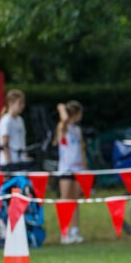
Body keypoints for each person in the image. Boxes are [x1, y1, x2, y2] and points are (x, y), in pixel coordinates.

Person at [55, 101, 87, 245]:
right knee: (65, 200)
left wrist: (84, 168)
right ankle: (64, 232)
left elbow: (81, 149)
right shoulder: (64, 128)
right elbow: (64, 121)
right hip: (66, 169)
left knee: (75, 201)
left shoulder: (77, 130)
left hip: (78, 169)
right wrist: (62, 109)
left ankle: (75, 230)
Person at [0, 89, 30, 171]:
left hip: (20, 161)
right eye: (20, 103)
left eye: (23, 103)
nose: (23, 106)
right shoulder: (6, 120)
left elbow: (21, 141)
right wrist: (9, 163)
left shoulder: (20, 119)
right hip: (10, 163)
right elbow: (4, 144)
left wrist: (25, 157)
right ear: (10, 103)